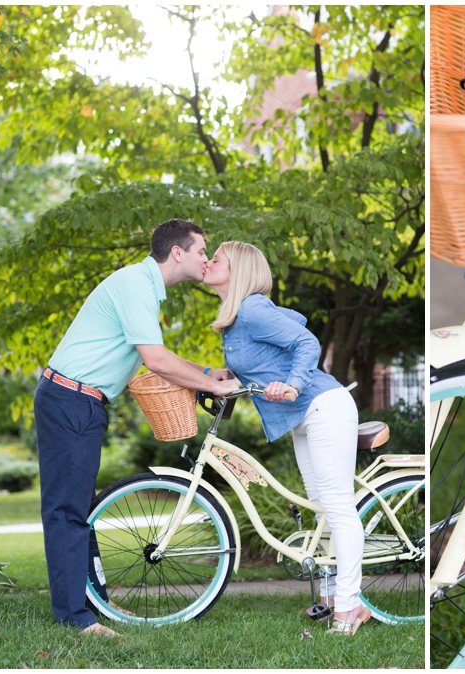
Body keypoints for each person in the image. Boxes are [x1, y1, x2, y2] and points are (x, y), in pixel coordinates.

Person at [34, 219, 238, 636]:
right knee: (68, 512)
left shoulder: (142, 286)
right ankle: (76, 618)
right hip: (70, 400)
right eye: (202, 250)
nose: (206, 258)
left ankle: (91, 602)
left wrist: (206, 373)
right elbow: (156, 360)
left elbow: (156, 353)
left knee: (78, 508)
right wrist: (216, 385)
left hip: (80, 401)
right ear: (177, 253)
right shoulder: (136, 286)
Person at [201, 241, 370, 636]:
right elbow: (258, 364)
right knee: (320, 507)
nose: (208, 262)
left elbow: (306, 343)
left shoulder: (252, 309)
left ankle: (350, 606)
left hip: (322, 405)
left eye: (217, 259)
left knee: (337, 505)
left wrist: (292, 384)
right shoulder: (235, 318)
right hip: (304, 416)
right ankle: (330, 597)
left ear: (238, 270)